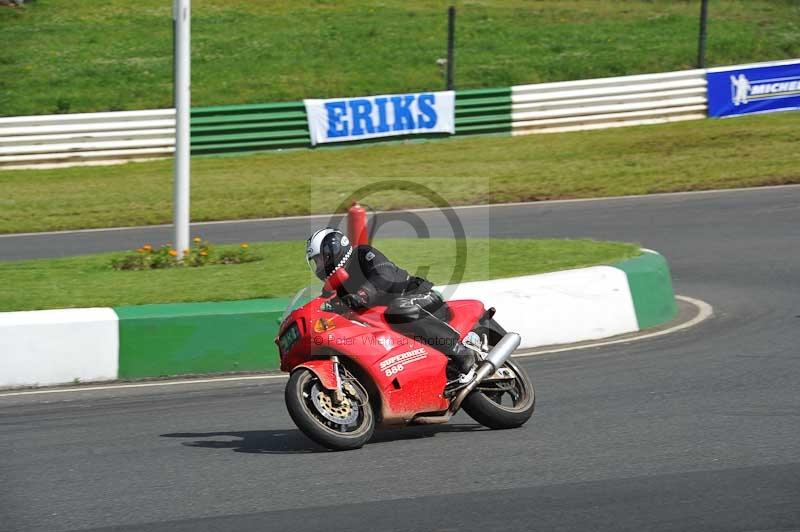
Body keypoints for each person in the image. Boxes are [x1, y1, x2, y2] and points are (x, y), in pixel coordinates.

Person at [306, 227, 477, 375]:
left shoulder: (362, 254)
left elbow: (384, 275)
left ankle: (458, 351)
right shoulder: (337, 285)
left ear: (333, 250)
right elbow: (326, 303)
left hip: (418, 296)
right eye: (316, 263)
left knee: (399, 308)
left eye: (320, 259)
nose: (319, 266)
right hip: (391, 321)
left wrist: (363, 294)